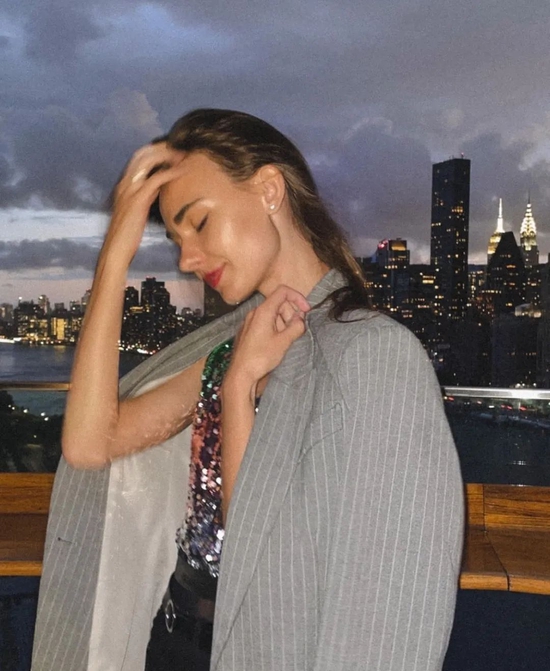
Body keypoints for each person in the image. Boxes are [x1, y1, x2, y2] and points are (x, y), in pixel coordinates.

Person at [36, 109, 463, 671]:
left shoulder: (370, 356)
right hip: (173, 642)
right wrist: (116, 251)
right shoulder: (236, 346)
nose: (187, 259)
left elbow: (380, 610)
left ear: (268, 190)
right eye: (175, 238)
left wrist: (237, 388)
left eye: (200, 222)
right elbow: (91, 443)